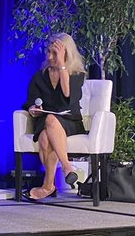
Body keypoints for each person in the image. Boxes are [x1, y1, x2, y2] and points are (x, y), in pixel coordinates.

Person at [23, 33, 87, 201]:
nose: (50, 57)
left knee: (50, 125)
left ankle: (54, 179)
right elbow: (30, 101)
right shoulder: (40, 75)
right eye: (49, 52)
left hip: (70, 121)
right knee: (45, 134)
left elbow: (68, 98)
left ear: (66, 54)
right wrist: (33, 109)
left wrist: (61, 66)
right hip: (45, 121)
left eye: (55, 54)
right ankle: (54, 180)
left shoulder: (77, 74)